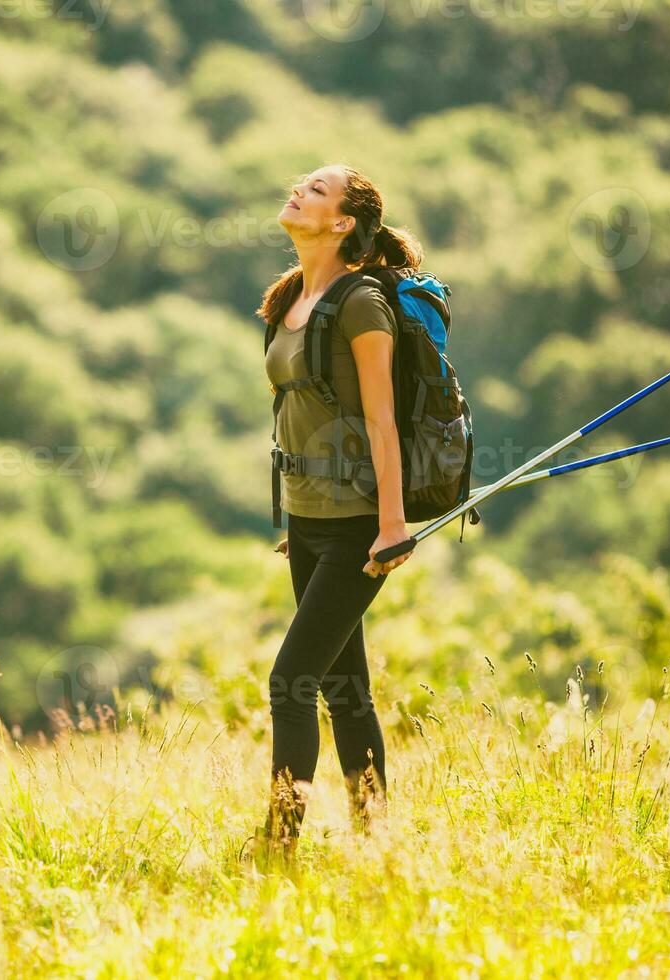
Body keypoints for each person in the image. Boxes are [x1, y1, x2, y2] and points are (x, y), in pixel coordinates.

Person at [246, 163, 421, 867]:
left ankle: (279, 846)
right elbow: (297, 414)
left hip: (358, 522)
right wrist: (293, 518)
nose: (296, 189)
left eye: (315, 190)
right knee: (346, 689)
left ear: (342, 222)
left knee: (291, 683)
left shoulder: (360, 305)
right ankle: (376, 838)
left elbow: (382, 420)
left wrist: (390, 524)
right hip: (310, 517)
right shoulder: (290, 296)